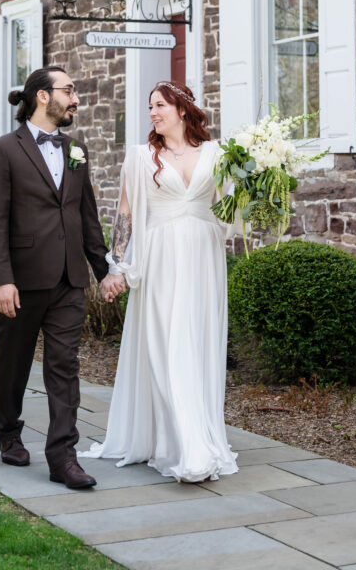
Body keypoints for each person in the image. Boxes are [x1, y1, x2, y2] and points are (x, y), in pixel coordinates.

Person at [81, 81, 238, 482]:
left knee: (197, 344)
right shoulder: (140, 157)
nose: (152, 112)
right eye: (150, 106)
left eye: (160, 105)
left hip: (204, 259)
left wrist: (261, 185)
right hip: (162, 260)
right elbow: (126, 216)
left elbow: (231, 206)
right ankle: (184, 447)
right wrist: (116, 265)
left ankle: (199, 435)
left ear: (182, 110)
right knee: (167, 345)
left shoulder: (217, 154)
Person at [0, 65, 124, 490]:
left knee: (64, 368)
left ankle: (63, 457)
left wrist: (104, 271)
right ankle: (8, 430)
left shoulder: (76, 149)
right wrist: (1, 279)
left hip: (68, 281)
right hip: (21, 282)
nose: (76, 98)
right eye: (69, 90)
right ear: (43, 96)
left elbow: (86, 218)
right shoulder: (2, 149)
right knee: (14, 364)